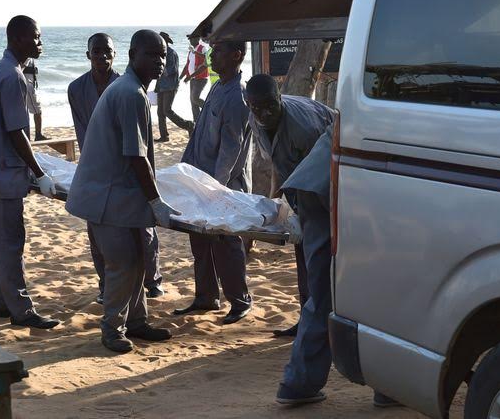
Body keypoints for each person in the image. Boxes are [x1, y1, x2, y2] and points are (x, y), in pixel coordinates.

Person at [65, 30, 177, 353]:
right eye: (151, 55)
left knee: (139, 259)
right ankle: (112, 328)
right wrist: (156, 202)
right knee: (123, 262)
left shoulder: (130, 89)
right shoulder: (131, 94)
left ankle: (138, 322)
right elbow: (136, 156)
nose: (159, 62)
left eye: (163, 56)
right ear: (132, 55)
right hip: (106, 196)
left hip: (117, 194)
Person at [275, 128, 399, 409]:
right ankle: (389, 384)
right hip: (341, 185)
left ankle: (298, 382)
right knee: (379, 287)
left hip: (312, 184)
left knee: (322, 292)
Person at [0, 15, 59, 330]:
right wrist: (39, 173)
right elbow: (17, 132)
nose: (40, 42)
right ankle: (21, 310)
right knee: (9, 243)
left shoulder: (0, 71)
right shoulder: (13, 76)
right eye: (36, 37)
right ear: (18, 39)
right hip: (2, 174)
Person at [246, 74, 334, 337]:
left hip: (329, 183)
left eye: (270, 105)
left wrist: (305, 215)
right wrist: (277, 205)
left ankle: (322, 324)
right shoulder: (254, 117)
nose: (265, 113)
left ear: (280, 98)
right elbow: (279, 163)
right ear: (249, 104)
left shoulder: (304, 129)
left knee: (319, 256)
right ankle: (307, 320)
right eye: (257, 107)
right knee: (303, 256)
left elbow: (323, 176)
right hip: (303, 185)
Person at [174, 41, 253, 324]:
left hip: (222, 183)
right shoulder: (219, 86)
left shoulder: (237, 96)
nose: (212, 55)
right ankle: (206, 297)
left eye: (218, 51)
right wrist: (186, 170)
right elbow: (198, 135)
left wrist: (214, 189)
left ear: (237, 55)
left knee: (225, 242)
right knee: (200, 240)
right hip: (200, 177)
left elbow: (231, 150)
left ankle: (240, 300)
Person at [154, 32, 194, 142]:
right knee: (160, 112)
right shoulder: (161, 53)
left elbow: (172, 70)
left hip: (170, 86)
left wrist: (159, 69)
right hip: (161, 85)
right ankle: (164, 135)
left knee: (167, 110)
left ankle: (188, 125)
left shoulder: (171, 53)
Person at [179, 35, 210, 122]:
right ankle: (197, 122)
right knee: (193, 102)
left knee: (195, 98)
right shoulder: (190, 51)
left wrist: (194, 52)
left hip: (201, 78)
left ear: (198, 39)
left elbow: (206, 59)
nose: (190, 40)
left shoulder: (202, 48)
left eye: (192, 38)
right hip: (192, 79)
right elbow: (187, 65)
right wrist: (180, 77)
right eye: (189, 39)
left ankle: (209, 110)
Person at [23, 58, 47, 141]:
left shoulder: (29, 57)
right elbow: (21, 67)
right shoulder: (27, 57)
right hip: (28, 85)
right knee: (37, 110)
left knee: (28, 111)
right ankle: (38, 135)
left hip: (29, 84)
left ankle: (31, 135)